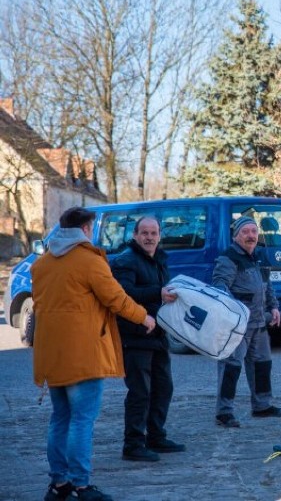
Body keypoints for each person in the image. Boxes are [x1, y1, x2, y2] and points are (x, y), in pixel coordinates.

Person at [33, 207, 156, 501]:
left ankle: (59, 484)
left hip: (51, 353)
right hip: (84, 353)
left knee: (60, 418)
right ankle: (81, 485)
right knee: (81, 421)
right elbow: (116, 299)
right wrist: (144, 317)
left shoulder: (41, 264)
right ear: (86, 229)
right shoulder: (89, 260)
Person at [111, 216, 184, 462]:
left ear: (159, 235)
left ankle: (156, 436)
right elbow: (124, 295)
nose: (149, 237)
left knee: (163, 388)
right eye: (145, 232)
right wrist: (158, 292)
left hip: (158, 333)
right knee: (140, 392)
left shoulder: (159, 260)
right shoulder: (125, 261)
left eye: (154, 233)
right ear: (135, 235)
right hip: (135, 336)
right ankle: (133, 444)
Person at [213, 216, 281, 428]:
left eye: (254, 232)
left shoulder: (259, 256)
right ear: (236, 235)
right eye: (245, 232)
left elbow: (268, 285)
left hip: (259, 323)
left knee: (262, 365)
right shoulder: (228, 258)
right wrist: (234, 314)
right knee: (230, 368)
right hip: (237, 326)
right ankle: (224, 412)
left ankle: (262, 405)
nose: (251, 236)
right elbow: (220, 287)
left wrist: (274, 307)